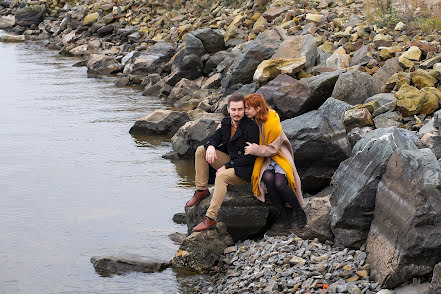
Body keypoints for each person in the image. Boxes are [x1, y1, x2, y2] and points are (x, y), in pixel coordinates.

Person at [185, 93, 260, 232]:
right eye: (234, 109)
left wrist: (226, 166)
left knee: (222, 176)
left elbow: (250, 158)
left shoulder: (251, 127)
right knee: (201, 150)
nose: (237, 113)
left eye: (240, 109)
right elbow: (214, 138)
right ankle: (201, 190)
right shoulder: (225, 123)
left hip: (245, 169)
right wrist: (212, 146)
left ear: (244, 110)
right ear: (228, 109)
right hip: (231, 161)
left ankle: (210, 218)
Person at [243, 93, 307, 228]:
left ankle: (299, 212)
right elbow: (235, 119)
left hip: (279, 156)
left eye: (248, 108)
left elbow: (273, 149)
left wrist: (255, 149)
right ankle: (283, 213)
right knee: (267, 178)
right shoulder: (255, 119)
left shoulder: (272, 121)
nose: (245, 111)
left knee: (279, 183)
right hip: (266, 159)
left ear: (258, 108)